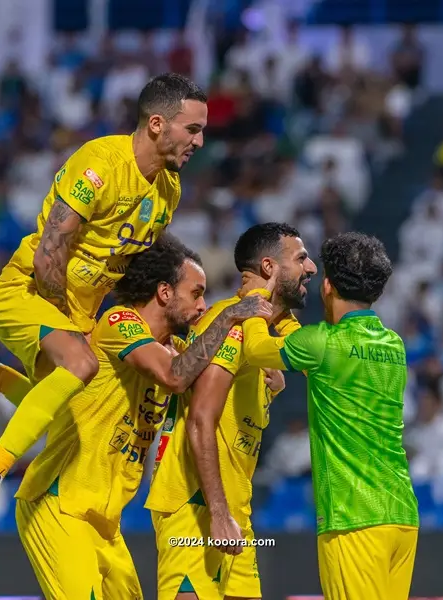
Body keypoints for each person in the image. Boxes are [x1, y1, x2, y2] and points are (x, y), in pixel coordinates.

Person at [0, 234, 275, 600]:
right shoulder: (120, 323)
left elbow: (63, 410)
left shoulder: (176, 350)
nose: (202, 306)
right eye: (196, 293)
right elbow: (175, 376)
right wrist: (229, 315)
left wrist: (258, 373)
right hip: (60, 505)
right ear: (165, 293)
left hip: (105, 523)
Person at [0, 73, 208, 514]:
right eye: (193, 129)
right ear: (155, 124)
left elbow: (134, 270)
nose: (200, 142)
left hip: (80, 314)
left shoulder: (169, 190)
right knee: (79, 365)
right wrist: (70, 331)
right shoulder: (100, 163)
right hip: (26, 291)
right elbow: (49, 253)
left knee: (80, 414)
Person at [238, 232, 419, 600]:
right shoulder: (394, 345)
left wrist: (255, 299)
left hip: (352, 518)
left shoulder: (322, 343)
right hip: (401, 516)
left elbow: (257, 350)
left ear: (328, 286)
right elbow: (319, 366)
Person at [146, 223, 317, 600]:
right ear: (269, 268)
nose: (312, 269)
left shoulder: (263, 329)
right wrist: (219, 514)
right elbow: (200, 419)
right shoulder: (232, 323)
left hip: (234, 509)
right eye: (301, 258)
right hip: (196, 508)